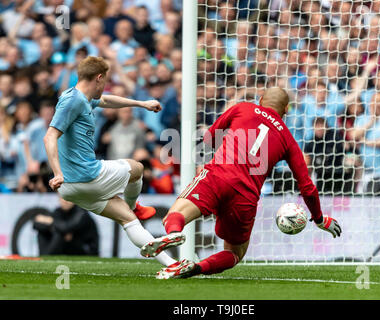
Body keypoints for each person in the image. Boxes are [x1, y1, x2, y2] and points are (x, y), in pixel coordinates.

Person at [141, 87, 342, 279]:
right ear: (286, 110)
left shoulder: (243, 107)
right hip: (246, 195)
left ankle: (175, 233)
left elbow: (210, 138)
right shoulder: (288, 140)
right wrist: (318, 219)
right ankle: (196, 267)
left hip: (217, 176)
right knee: (235, 252)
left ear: (261, 101)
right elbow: (307, 186)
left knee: (175, 216)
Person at [43, 56, 176, 267]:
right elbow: (50, 136)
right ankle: (135, 206)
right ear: (98, 78)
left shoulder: (82, 98)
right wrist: (57, 172)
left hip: (70, 189)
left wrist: (141, 103)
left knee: (127, 220)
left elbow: (106, 100)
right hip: (87, 176)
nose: (105, 85)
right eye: (105, 80)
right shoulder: (73, 101)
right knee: (137, 168)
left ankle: (172, 264)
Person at [33, 198, 99, 256]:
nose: (65, 201)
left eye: (68, 198)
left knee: (59, 233)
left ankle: (47, 256)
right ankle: (44, 257)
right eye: (62, 198)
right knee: (44, 231)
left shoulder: (81, 212)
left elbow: (66, 227)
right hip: (68, 245)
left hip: (85, 248)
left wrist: (51, 221)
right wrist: (52, 227)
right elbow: (36, 225)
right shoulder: (58, 211)